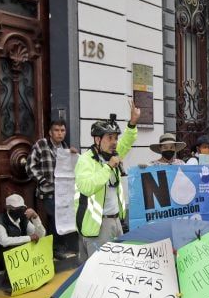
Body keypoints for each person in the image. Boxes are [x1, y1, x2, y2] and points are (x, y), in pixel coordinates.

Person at [74, 100, 140, 260]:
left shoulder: (113, 155)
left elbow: (127, 142)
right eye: (110, 138)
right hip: (97, 226)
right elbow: (87, 187)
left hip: (116, 221)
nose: (115, 142)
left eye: (116, 138)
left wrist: (132, 123)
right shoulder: (85, 160)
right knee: (98, 273)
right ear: (97, 140)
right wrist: (108, 167)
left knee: (117, 268)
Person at [26, 119, 79, 260]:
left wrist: (72, 155)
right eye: (56, 130)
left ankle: (56, 248)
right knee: (56, 217)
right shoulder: (41, 144)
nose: (60, 133)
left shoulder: (65, 148)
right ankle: (54, 248)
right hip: (46, 192)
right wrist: (44, 181)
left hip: (62, 193)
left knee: (61, 218)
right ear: (50, 132)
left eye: (62, 130)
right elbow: (30, 166)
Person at [0, 194, 46, 293]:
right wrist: (28, 238)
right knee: (11, 249)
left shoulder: (23, 219)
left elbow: (40, 235)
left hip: (18, 257)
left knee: (34, 244)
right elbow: (5, 241)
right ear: (8, 208)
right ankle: (8, 284)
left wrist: (36, 217)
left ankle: (35, 278)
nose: (20, 210)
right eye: (17, 208)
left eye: (22, 208)